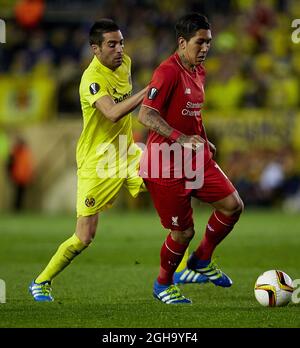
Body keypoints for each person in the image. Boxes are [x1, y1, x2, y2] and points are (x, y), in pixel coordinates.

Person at [29, 19, 148, 301]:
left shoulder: (126, 63)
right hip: (98, 162)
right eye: (111, 44)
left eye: (121, 42)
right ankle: (41, 282)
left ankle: (182, 270)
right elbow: (113, 113)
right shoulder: (91, 80)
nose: (119, 49)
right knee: (84, 237)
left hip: (127, 152)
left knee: (169, 183)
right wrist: (148, 91)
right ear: (95, 49)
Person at [138, 13, 244, 304]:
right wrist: (182, 139)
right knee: (183, 232)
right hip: (165, 164)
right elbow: (145, 114)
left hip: (194, 158)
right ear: (182, 42)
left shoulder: (199, 70)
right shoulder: (167, 72)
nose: (206, 48)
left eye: (209, 42)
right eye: (200, 42)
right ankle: (163, 284)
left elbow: (194, 113)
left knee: (233, 206)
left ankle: (201, 260)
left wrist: (203, 137)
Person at [7, 137, 34, 211]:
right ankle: (16, 209)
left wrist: (30, 175)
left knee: (22, 194)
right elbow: (9, 165)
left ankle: (20, 209)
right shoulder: (14, 153)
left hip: (24, 177)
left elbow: (29, 165)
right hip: (16, 176)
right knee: (17, 194)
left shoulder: (26, 153)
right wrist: (10, 175)